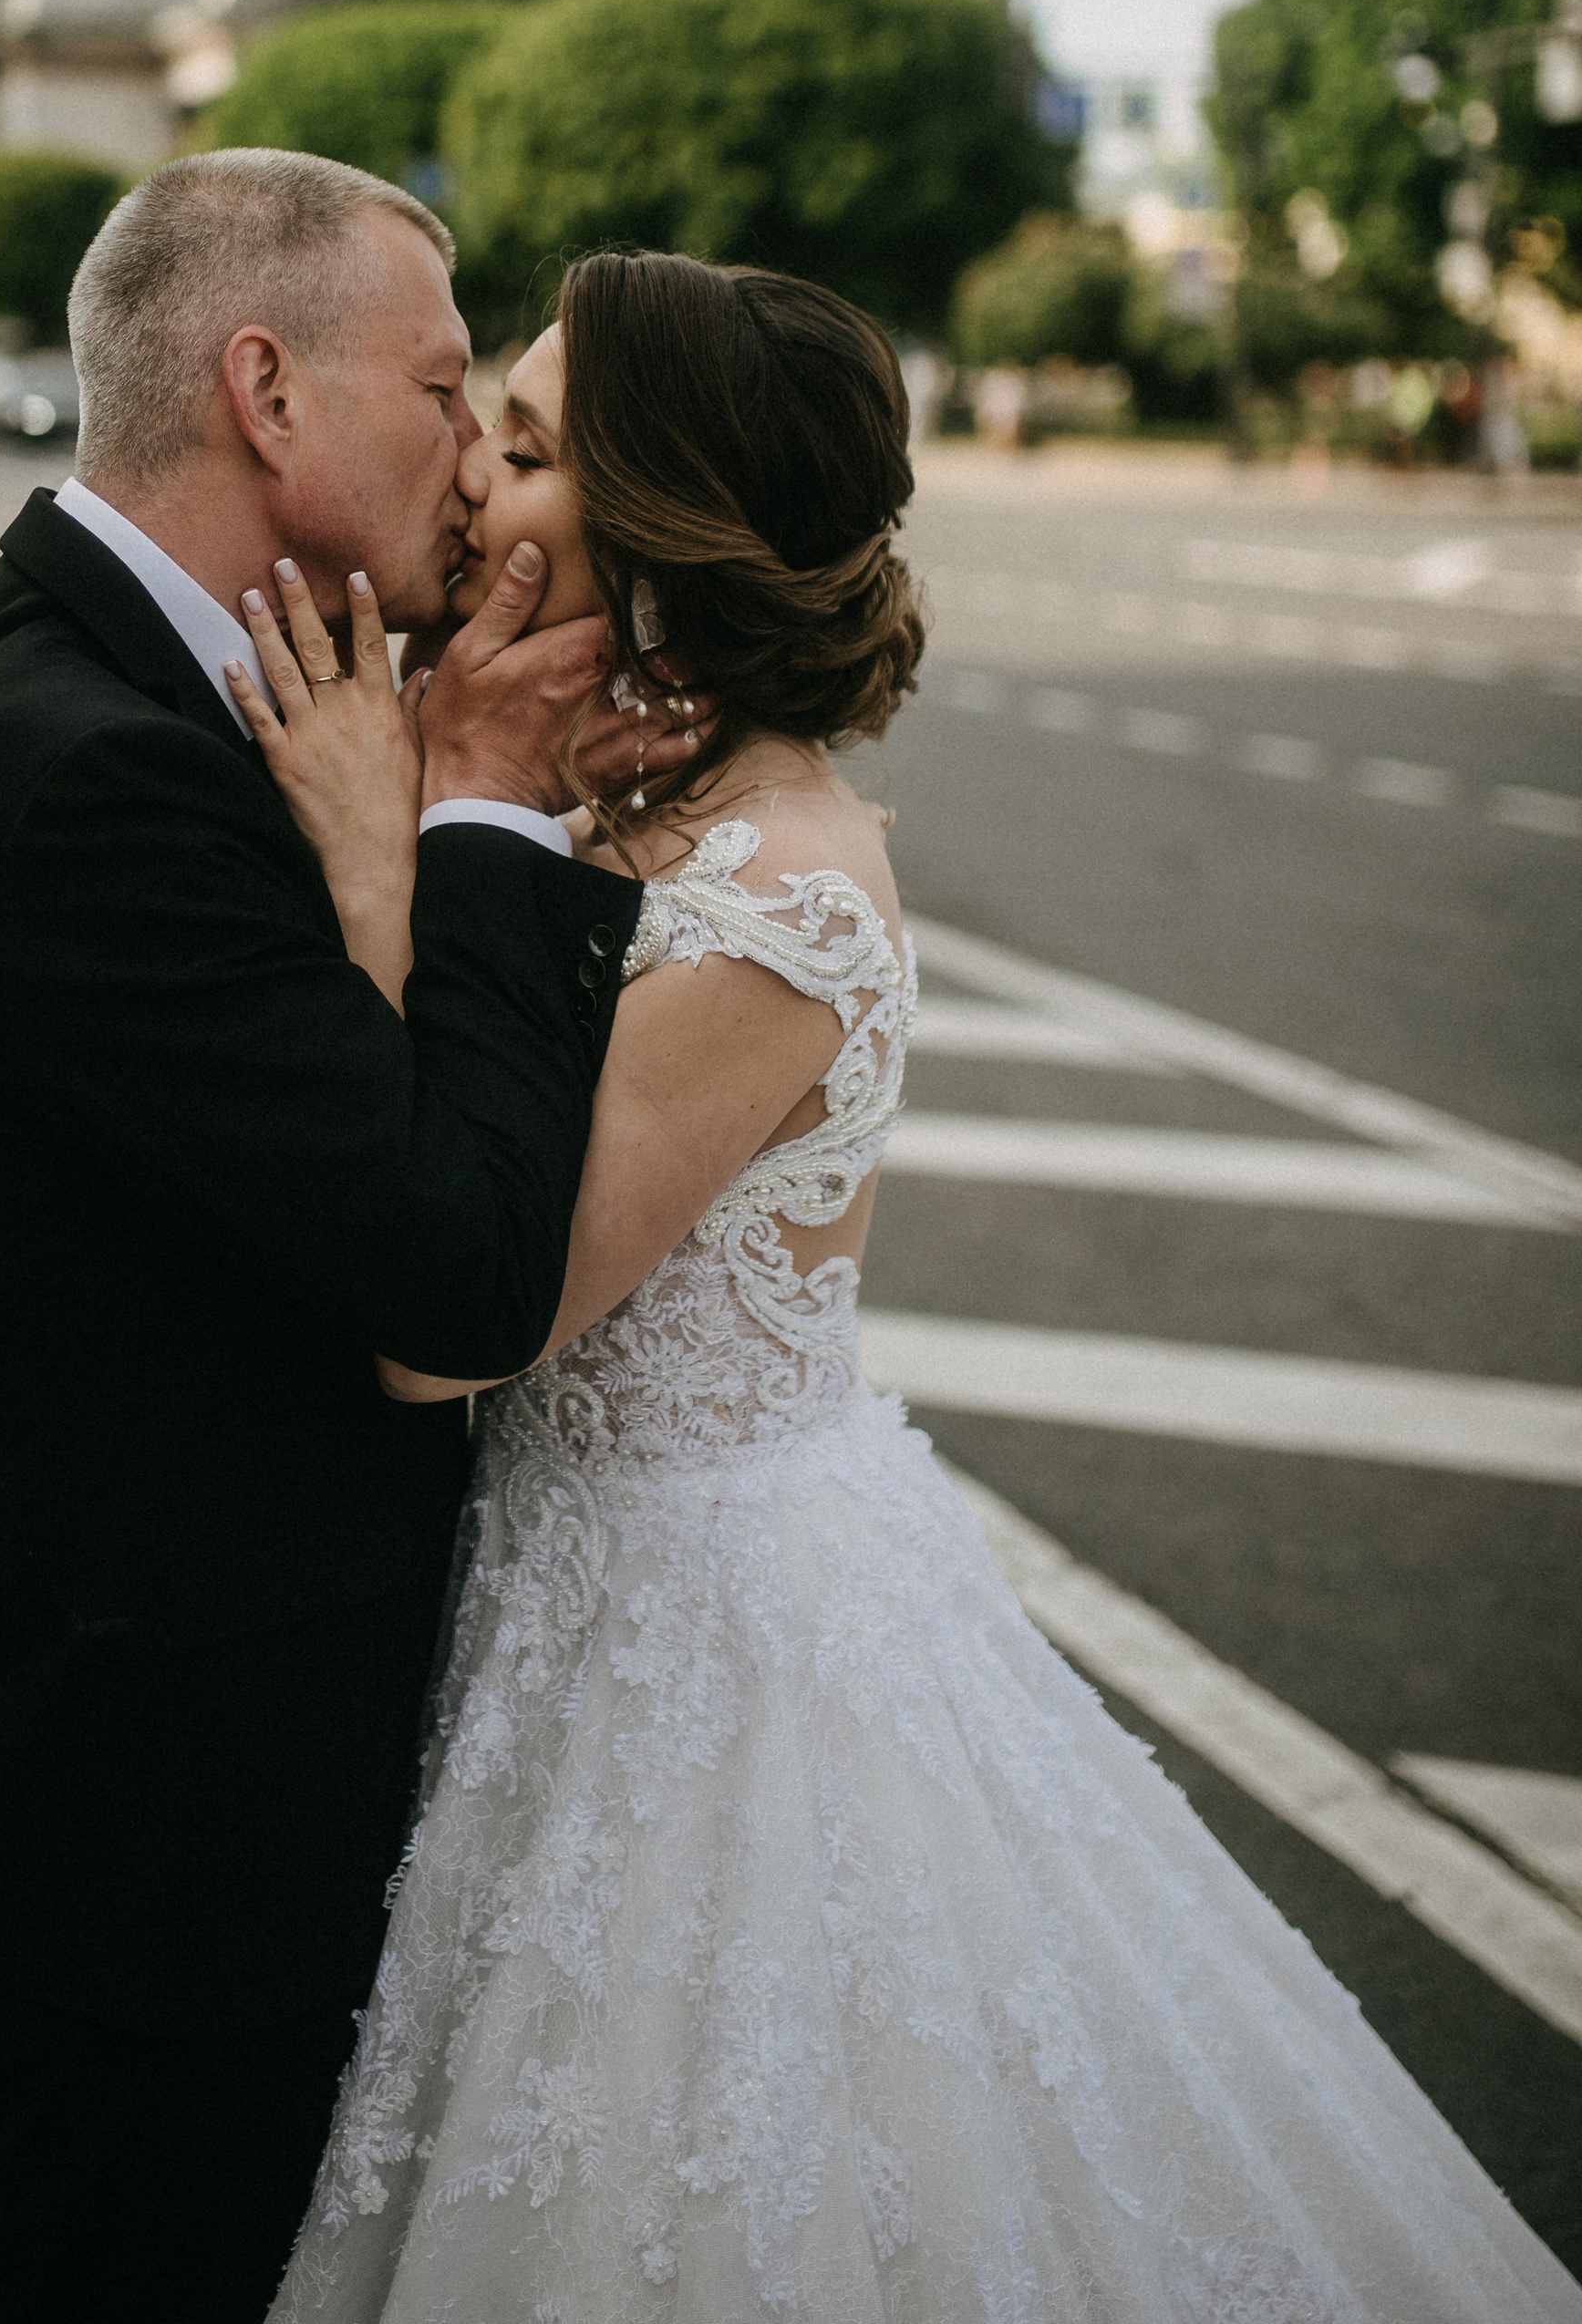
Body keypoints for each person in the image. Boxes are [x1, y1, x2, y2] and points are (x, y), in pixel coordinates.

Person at [244, 247, 1582, 2324]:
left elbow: (452, 1323)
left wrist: (374, 862)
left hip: (700, 1629)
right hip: (556, 1575)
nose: (468, 484)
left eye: (516, 447)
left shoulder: (774, 899)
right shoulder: (626, 802)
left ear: (658, 531)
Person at [0, 152, 701, 2322]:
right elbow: (448, 1270)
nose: (479, 468)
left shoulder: (156, 683)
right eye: (438, 390)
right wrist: (484, 809)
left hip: (206, 1729)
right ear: (266, 393)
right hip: (180, 1789)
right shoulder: (84, 769)